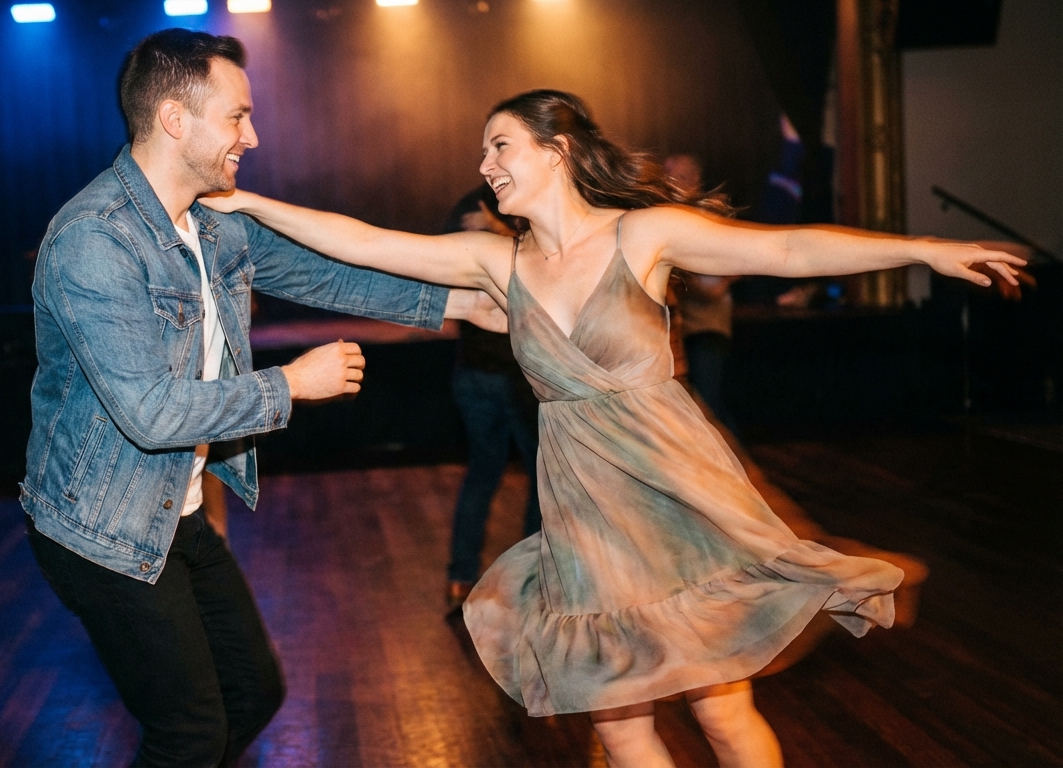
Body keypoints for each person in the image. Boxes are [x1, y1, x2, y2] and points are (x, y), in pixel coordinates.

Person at [200, 89, 1025, 768]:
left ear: (557, 151)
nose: (485, 167)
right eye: (484, 153)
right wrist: (251, 201)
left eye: (501, 147)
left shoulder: (643, 234)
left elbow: (790, 252)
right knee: (618, 721)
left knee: (720, 706)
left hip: (674, 495)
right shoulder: (501, 262)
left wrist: (923, 248)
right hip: (585, 515)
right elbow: (369, 243)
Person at [19, 29, 503, 766]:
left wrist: (460, 305)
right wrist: (290, 384)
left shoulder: (212, 225)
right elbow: (150, 414)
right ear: (176, 119)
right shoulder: (94, 241)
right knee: (187, 731)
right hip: (101, 530)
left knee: (252, 692)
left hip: (170, 513)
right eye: (237, 116)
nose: (254, 134)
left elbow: (326, 274)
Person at [441, 186, 541, 613]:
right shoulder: (535, 210)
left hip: (479, 370)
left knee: (484, 473)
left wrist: (494, 231)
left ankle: (461, 577)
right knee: (543, 480)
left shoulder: (472, 208)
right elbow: (546, 270)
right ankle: (532, 585)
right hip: (516, 375)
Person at [663, 155, 741, 436]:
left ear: (695, 180)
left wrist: (697, 282)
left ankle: (740, 469)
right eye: (669, 176)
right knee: (691, 405)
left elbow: (740, 260)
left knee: (708, 403)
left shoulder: (708, 218)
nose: (673, 183)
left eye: (680, 177)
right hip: (682, 329)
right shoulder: (667, 218)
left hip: (709, 326)